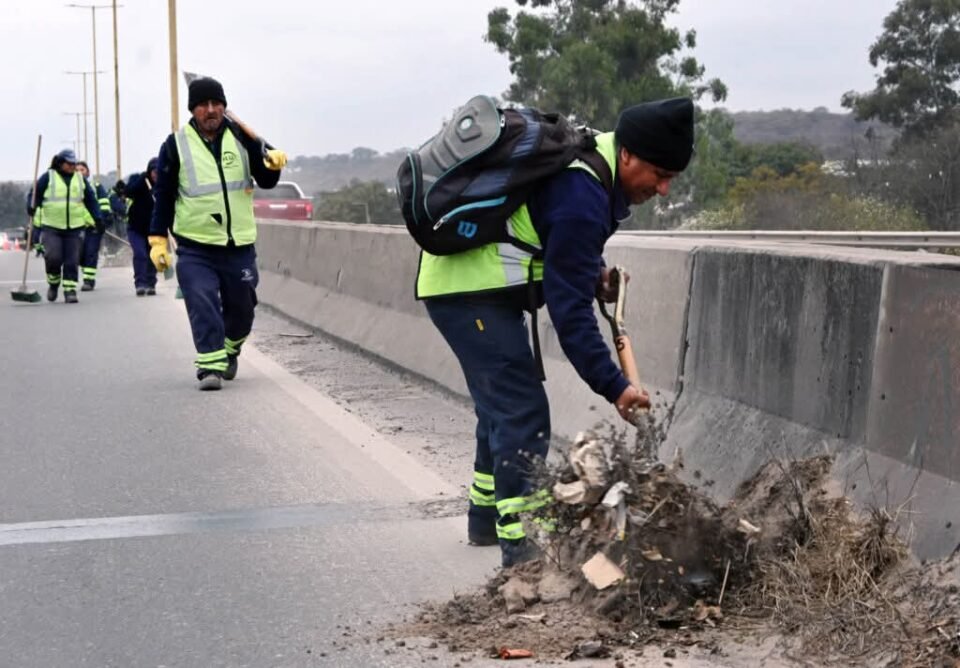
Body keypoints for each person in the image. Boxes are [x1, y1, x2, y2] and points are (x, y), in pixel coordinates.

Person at [416, 97, 695, 567]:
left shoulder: (592, 168)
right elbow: (570, 315)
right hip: (466, 291)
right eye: (659, 174)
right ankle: (522, 551)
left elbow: (550, 240)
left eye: (671, 179)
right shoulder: (582, 191)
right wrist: (614, 386)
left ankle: (484, 519)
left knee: (500, 409)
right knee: (521, 410)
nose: (663, 189)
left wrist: (593, 274)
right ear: (627, 155)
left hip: (473, 287)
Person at [148, 77, 286, 390]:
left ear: (224, 107)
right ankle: (210, 366)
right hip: (196, 246)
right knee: (202, 300)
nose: (211, 110)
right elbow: (164, 196)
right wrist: (157, 240)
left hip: (238, 245)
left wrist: (273, 165)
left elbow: (266, 181)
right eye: (203, 105)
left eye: (216, 104)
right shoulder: (175, 146)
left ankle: (229, 349)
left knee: (243, 311)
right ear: (193, 110)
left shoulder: (244, 139)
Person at [26, 148, 103, 303]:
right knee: (53, 257)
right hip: (52, 226)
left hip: (74, 227)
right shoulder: (48, 177)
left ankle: (70, 290)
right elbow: (34, 195)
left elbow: (91, 200)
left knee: (71, 260)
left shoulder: (80, 179)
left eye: (74, 163)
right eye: (69, 163)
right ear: (60, 163)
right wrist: (31, 205)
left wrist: (98, 218)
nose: (72, 166)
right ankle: (53, 284)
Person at [123, 158, 159, 296]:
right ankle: (140, 283)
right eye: (153, 171)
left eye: (158, 171)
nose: (156, 175)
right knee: (140, 254)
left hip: (154, 229)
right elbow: (129, 191)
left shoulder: (163, 184)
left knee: (153, 256)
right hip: (136, 228)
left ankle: (151, 284)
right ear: (149, 171)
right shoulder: (140, 181)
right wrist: (143, 178)